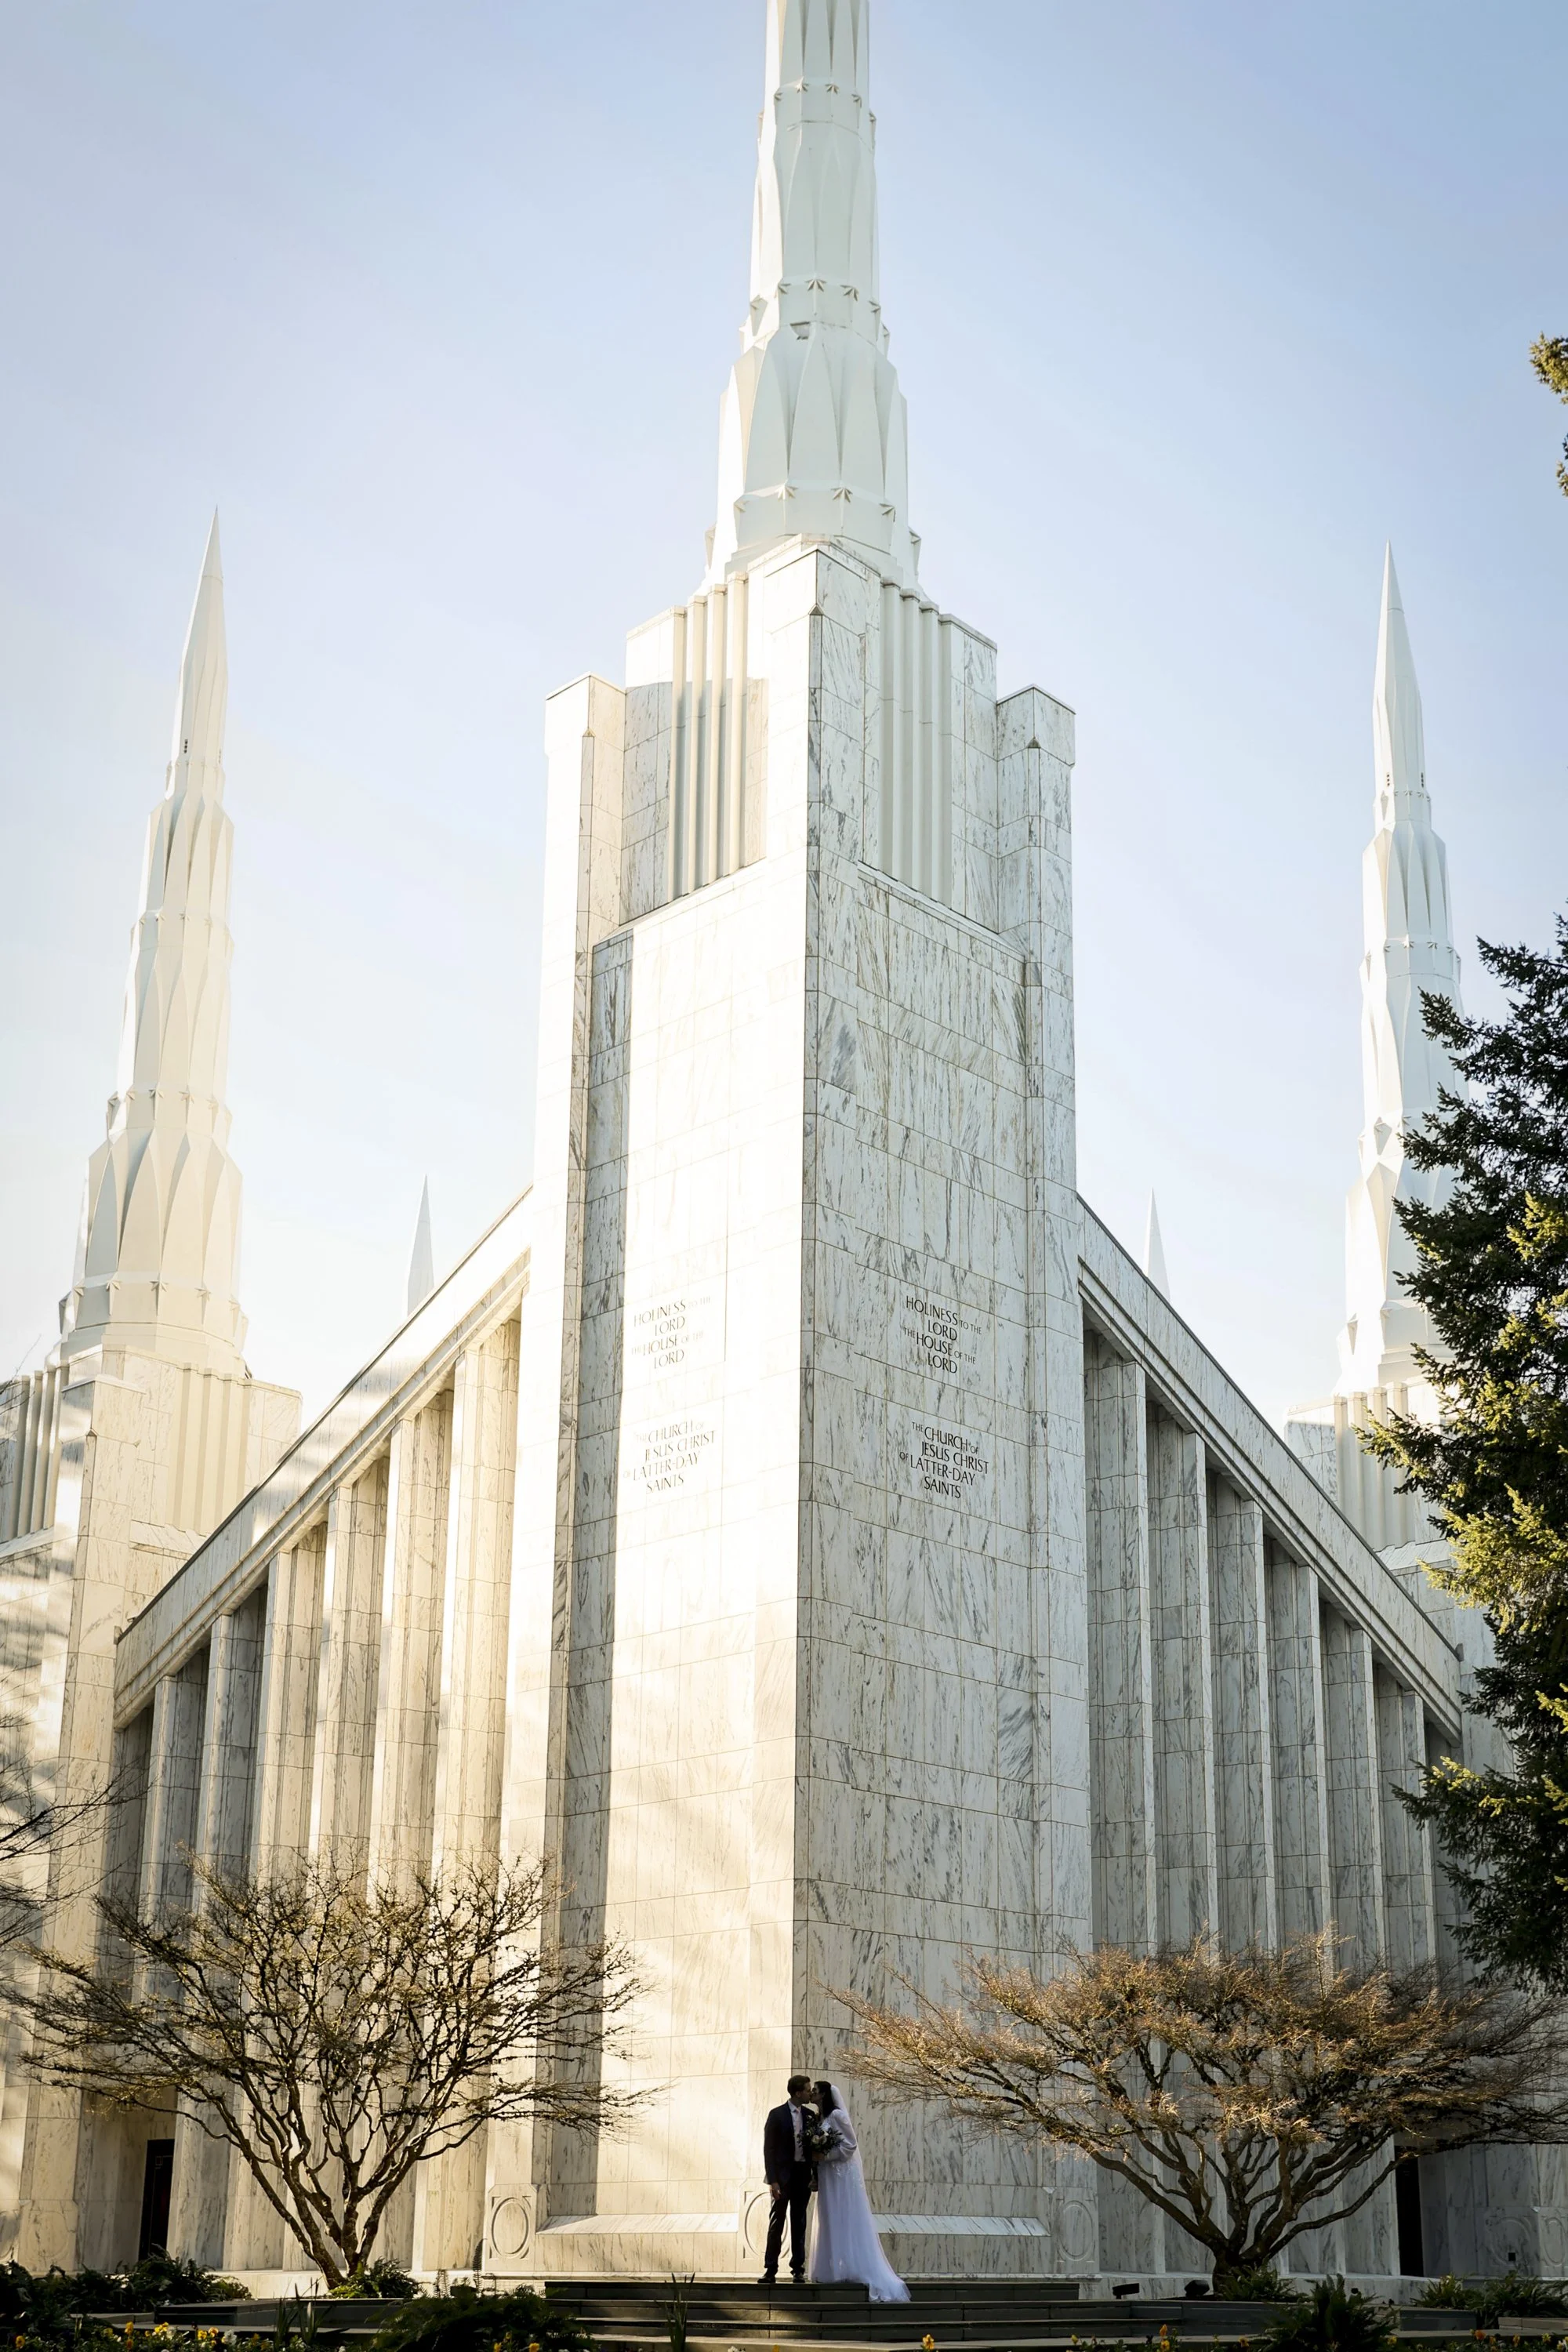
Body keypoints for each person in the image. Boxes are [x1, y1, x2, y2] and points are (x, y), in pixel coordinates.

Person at [806, 2079, 909, 2303]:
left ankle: (850, 2267)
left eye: (815, 2091)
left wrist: (827, 2155)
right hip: (826, 2174)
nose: (812, 2094)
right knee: (828, 2216)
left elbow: (850, 2145)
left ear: (824, 2095)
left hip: (839, 2174)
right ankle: (830, 2269)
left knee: (842, 2215)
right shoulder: (818, 2119)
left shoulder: (837, 2116)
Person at [759, 2072, 816, 2285]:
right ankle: (770, 2269)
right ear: (798, 2092)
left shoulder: (810, 2116)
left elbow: (815, 2150)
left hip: (803, 2176)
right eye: (808, 2090)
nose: (810, 2093)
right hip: (782, 2178)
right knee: (777, 2223)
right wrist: (773, 2181)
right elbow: (769, 2150)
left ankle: (798, 2269)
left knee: (799, 2222)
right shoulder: (776, 2115)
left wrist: (814, 2176)